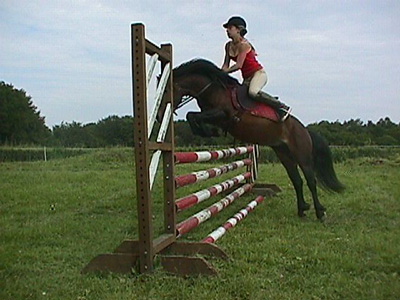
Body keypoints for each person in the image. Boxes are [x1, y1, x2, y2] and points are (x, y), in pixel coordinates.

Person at [221, 16, 291, 121]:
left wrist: (225, 71)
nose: (227, 30)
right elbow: (225, 65)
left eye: (230, 28)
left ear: (238, 30)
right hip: (247, 79)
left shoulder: (244, 45)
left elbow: (239, 65)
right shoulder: (228, 46)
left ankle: (281, 106)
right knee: (237, 95)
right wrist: (220, 73)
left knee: (253, 92)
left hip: (258, 74)